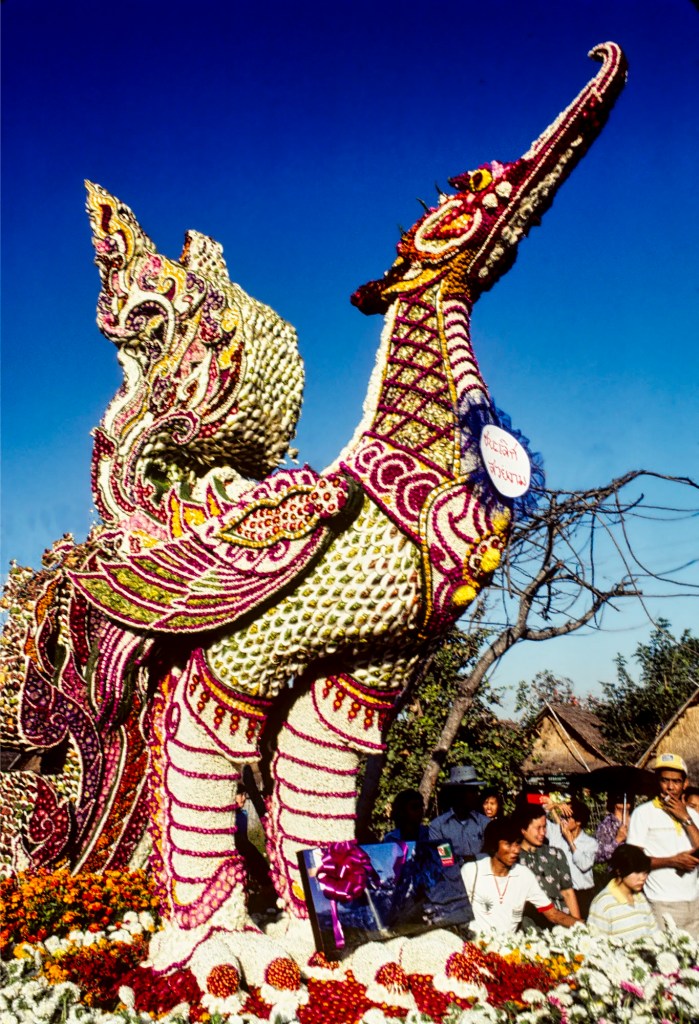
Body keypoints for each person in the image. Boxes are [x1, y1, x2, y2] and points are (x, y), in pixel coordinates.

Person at [461, 817, 579, 936]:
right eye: (508, 844)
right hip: (475, 943)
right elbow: (457, 912)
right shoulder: (472, 871)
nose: (516, 850)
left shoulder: (524, 875)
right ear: (493, 845)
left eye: (517, 843)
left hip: (509, 945)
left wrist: (584, 926)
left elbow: (553, 914)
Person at [627, 752, 699, 938]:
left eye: (676, 781)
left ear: (685, 784)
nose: (670, 787)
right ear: (657, 781)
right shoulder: (643, 813)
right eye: (665, 780)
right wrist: (672, 861)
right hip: (660, 902)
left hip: (694, 901)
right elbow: (633, 861)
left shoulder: (693, 815)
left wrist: (686, 818)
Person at [516, 804, 581, 928]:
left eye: (544, 827)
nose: (543, 832)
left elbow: (568, 892)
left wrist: (578, 926)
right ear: (523, 830)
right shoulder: (515, 858)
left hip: (562, 921)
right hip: (532, 924)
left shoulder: (555, 854)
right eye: (538, 828)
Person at [587, 844, 658, 941]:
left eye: (645, 872)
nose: (642, 877)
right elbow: (597, 942)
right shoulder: (603, 904)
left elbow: (655, 934)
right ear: (619, 871)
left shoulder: (641, 898)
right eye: (637, 872)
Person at [546, 796, 597, 918]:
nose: (562, 821)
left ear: (578, 822)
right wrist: (555, 806)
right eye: (562, 817)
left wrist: (570, 842)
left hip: (582, 895)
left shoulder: (590, 843)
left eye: (566, 818)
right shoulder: (555, 832)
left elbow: (584, 865)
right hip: (560, 894)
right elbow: (537, 817)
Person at [429, 765, 489, 867]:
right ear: (458, 793)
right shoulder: (439, 826)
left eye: (476, 791)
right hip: (452, 876)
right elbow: (444, 861)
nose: (476, 795)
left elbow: (490, 856)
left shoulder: (484, 823)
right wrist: (467, 860)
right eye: (471, 791)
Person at [595, 792, 633, 864]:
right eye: (620, 797)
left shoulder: (637, 821)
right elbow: (597, 856)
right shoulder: (605, 826)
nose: (626, 800)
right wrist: (617, 840)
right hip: (618, 868)